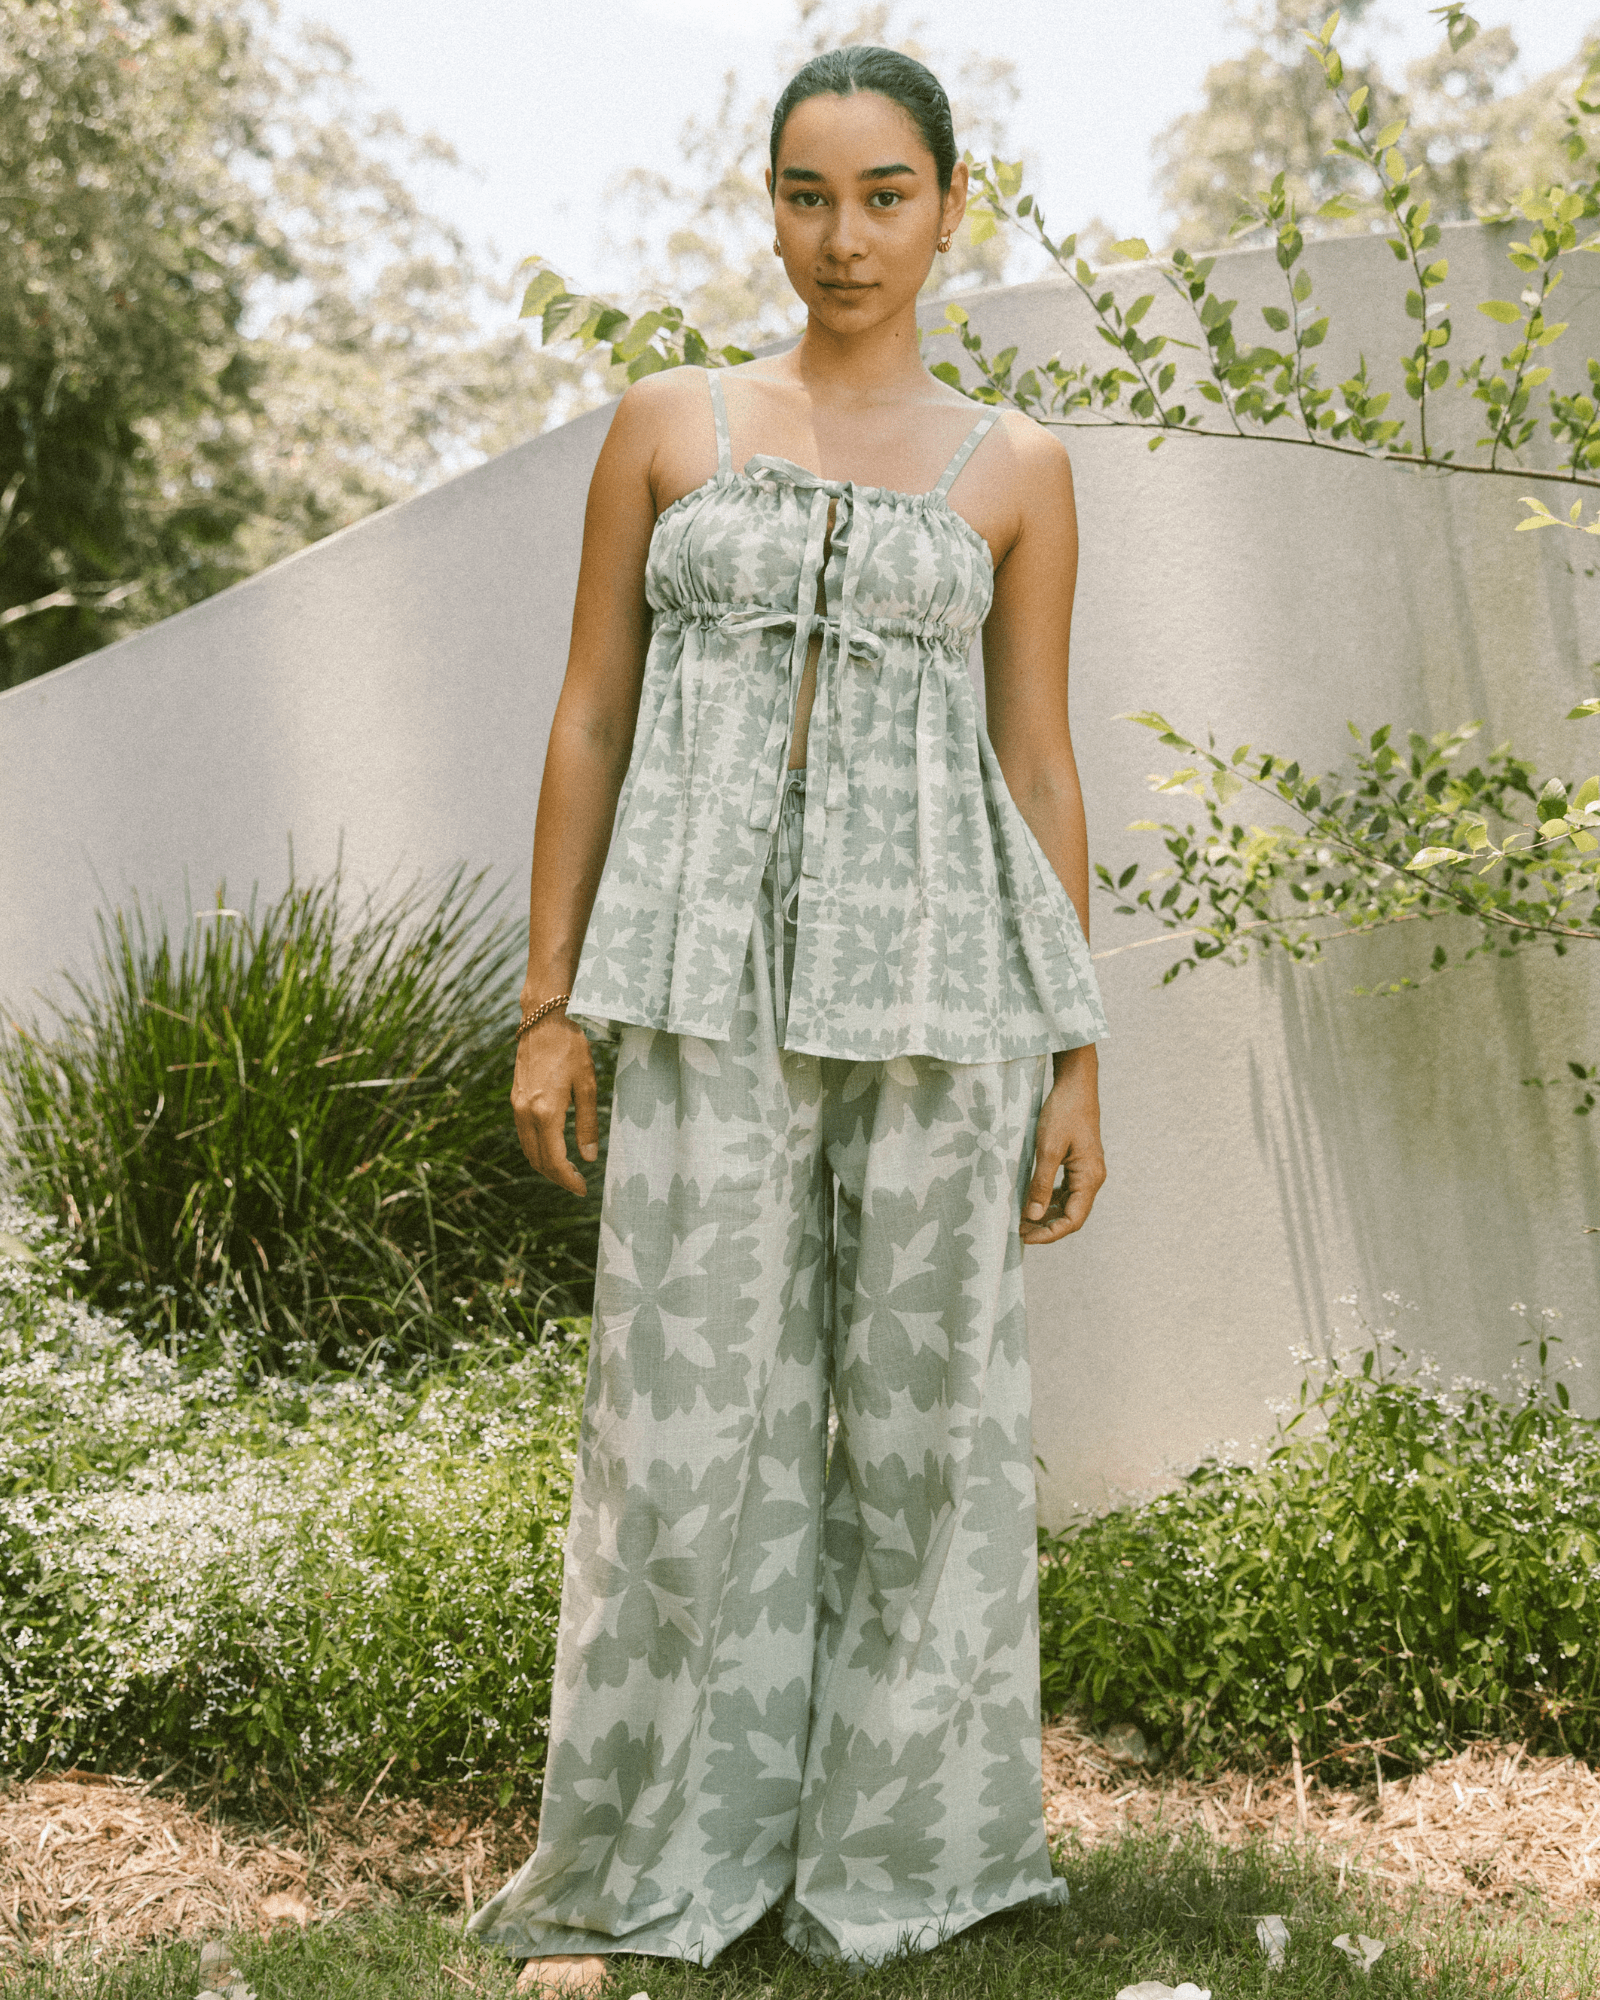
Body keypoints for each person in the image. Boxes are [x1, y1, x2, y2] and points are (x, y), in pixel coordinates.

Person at [470, 42, 1109, 1996]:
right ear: (767, 205)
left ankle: (901, 1861)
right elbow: (589, 715)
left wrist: (1075, 1052)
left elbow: (1036, 758)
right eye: (808, 195)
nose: (845, 237)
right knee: (684, 1437)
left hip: (942, 994)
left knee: (926, 1440)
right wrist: (551, 1002)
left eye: (885, 195)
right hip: (698, 985)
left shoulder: (1016, 467)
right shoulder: (667, 424)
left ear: (949, 205)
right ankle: (660, 1855)